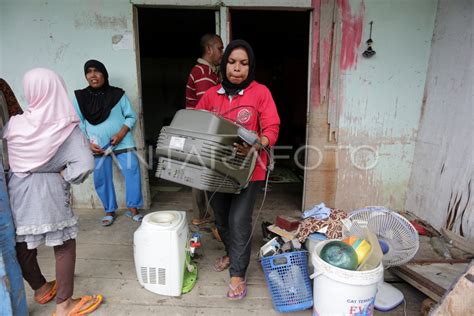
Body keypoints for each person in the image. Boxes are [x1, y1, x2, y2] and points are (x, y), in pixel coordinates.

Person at [3, 68, 103, 315]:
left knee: (24, 244)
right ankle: (64, 304)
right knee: (65, 245)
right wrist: (63, 174)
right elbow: (86, 164)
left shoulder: (14, 124)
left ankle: (40, 288)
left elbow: (7, 161)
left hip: (18, 191)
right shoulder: (66, 128)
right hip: (49, 194)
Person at [195, 39, 280, 299]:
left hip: (249, 170)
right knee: (221, 219)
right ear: (224, 64)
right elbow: (198, 123)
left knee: (239, 220)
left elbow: (271, 127)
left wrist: (257, 145)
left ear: (250, 67)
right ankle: (232, 254)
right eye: (232, 62)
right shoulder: (211, 95)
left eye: (243, 63)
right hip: (217, 170)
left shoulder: (260, 93)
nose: (237, 68)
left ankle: (238, 273)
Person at [73, 60, 144, 226]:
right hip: (96, 145)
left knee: (132, 171)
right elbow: (78, 122)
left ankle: (133, 208)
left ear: (104, 74)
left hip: (122, 141)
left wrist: (120, 134)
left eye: (97, 71)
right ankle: (109, 210)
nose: (93, 75)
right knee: (101, 177)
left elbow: (131, 116)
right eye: (89, 72)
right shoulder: (80, 98)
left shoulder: (118, 95)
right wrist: (88, 143)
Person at [185, 34, 224, 228]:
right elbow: (207, 109)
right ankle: (202, 216)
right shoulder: (202, 73)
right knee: (201, 173)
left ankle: (202, 214)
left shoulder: (208, 72)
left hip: (199, 129)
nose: (221, 53)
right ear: (209, 49)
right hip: (201, 130)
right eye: (220, 48)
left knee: (199, 171)